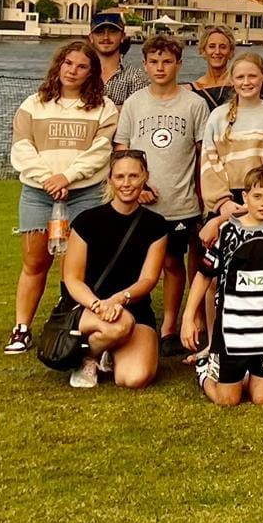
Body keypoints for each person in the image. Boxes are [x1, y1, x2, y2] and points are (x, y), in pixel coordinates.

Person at [7, 41, 119, 355]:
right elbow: (22, 148)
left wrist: (66, 178)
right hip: (38, 193)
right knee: (35, 261)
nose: (73, 71)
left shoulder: (103, 107)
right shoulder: (33, 104)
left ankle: (71, 323)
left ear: (91, 72)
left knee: (78, 264)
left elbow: (100, 152)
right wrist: (48, 179)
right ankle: (22, 328)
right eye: (68, 63)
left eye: (81, 66)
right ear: (59, 65)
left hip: (83, 194)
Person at [115, 34, 210, 350]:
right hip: (140, 202)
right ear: (144, 65)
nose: (160, 67)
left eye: (167, 61)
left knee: (172, 263)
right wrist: (135, 186)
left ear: (179, 64)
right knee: (135, 264)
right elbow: (122, 149)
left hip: (180, 203)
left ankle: (170, 324)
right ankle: (130, 318)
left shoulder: (194, 104)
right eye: (153, 62)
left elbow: (202, 155)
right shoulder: (134, 102)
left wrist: (202, 197)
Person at [55, 149, 169, 389]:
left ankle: (110, 348)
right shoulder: (86, 221)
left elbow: (148, 279)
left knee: (134, 378)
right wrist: (98, 305)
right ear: (110, 179)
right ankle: (89, 356)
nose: (126, 184)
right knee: (120, 324)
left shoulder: (156, 226)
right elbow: (72, 278)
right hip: (87, 307)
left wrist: (119, 299)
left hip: (131, 305)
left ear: (145, 177)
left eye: (133, 176)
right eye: (119, 177)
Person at [182, 164, 263, 407]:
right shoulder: (227, 233)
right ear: (245, 198)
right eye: (257, 196)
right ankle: (204, 371)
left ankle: (247, 375)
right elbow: (203, 275)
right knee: (227, 401)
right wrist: (189, 317)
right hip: (232, 335)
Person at [200, 52, 263, 223]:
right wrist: (222, 201)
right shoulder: (218, 116)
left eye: (252, 76)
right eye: (240, 77)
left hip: (262, 200)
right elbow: (209, 162)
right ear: (232, 80)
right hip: (226, 201)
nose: (246, 82)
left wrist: (261, 199)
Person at [90, 11, 149, 106]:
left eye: (112, 32)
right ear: (91, 38)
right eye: (99, 32)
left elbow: (138, 114)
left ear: (122, 36)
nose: (106, 37)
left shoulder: (136, 77)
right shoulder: (81, 72)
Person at [190, 25, 236, 110]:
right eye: (212, 46)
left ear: (231, 52)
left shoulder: (239, 86)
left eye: (223, 47)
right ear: (203, 51)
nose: (217, 52)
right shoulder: (192, 90)